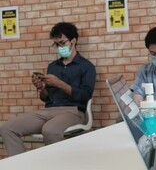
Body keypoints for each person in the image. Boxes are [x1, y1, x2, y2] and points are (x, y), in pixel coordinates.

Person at [0, 22, 96, 157]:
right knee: (7, 128)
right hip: (49, 111)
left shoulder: (86, 67)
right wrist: (41, 88)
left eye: (62, 43)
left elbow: (85, 96)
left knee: (50, 130)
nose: (59, 47)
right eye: (56, 44)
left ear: (73, 41)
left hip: (73, 111)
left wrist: (59, 83)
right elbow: (47, 97)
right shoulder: (53, 66)